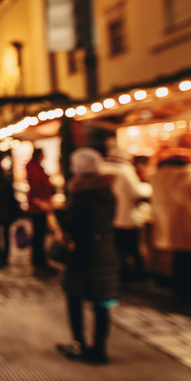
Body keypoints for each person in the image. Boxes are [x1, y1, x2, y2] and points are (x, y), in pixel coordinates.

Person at [57, 148, 119, 364]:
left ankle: (79, 344)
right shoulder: (106, 190)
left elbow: (75, 224)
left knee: (74, 297)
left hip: (83, 253)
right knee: (102, 302)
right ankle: (100, 349)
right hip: (104, 250)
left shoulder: (80, 192)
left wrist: (55, 212)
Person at [149, 152, 191, 298]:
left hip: (167, 221)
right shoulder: (188, 174)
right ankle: (188, 290)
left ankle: (178, 286)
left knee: (179, 255)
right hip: (188, 220)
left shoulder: (156, 176)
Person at [99, 146, 152, 281]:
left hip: (108, 217)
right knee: (133, 248)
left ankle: (117, 273)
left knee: (116, 247)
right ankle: (137, 275)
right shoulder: (124, 170)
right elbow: (136, 192)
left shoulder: (101, 168)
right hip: (125, 216)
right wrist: (148, 188)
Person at [25, 148, 56, 276]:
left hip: (40, 204)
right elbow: (38, 184)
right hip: (38, 206)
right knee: (39, 235)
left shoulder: (36, 167)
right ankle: (39, 263)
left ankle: (41, 262)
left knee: (40, 235)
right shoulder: (33, 167)